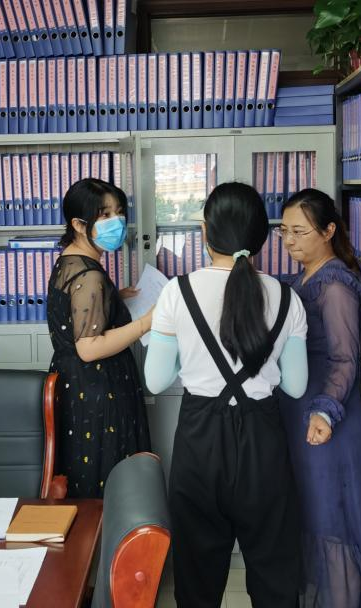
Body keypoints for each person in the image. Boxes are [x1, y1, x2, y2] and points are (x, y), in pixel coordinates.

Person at [145, 182, 310, 608]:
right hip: (263, 443)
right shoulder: (287, 297)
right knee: (274, 576)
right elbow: (295, 386)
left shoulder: (177, 292)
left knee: (197, 581)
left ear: (205, 232)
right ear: (262, 237)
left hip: (200, 442)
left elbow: (156, 380)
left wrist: (190, 358)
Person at [277, 188, 361, 608]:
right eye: (284, 231)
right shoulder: (303, 278)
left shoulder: (334, 284)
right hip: (304, 416)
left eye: (299, 232)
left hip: (326, 422)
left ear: (328, 231)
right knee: (313, 518)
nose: (289, 241)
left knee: (332, 522)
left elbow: (344, 359)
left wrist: (324, 412)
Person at [47, 178, 151, 499]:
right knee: (107, 482)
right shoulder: (89, 275)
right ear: (79, 225)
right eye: (104, 215)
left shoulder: (69, 262)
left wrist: (113, 298)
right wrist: (146, 323)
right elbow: (89, 348)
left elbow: (73, 314)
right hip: (97, 392)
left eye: (118, 212)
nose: (116, 222)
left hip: (74, 385)